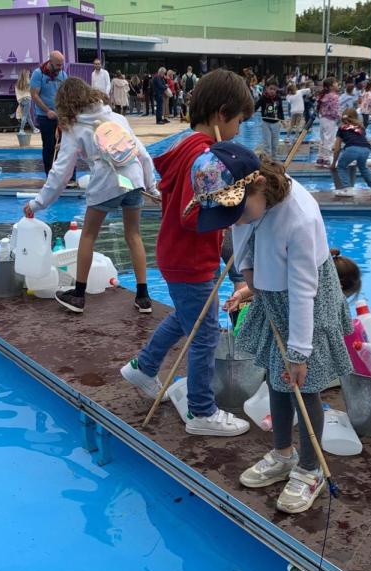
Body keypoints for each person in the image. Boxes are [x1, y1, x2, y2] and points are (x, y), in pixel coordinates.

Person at [119, 69, 255, 438]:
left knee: (187, 317)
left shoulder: (185, 147)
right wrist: (233, 208)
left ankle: (144, 366)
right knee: (206, 333)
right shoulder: (203, 156)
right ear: (221, 112)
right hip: (190, 259)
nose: (239, 131)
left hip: (177, 254)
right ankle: (201, 411)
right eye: (239, 121)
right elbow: (191, 213)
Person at [230, 154, 354, 515]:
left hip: (304, 303)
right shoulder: (247, 199)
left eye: (236, 210)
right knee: (275, 378)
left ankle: (310, 469)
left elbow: (303, 289)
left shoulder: (298, 218)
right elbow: (245, 231)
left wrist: (300, 351)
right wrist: (248, 274)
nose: (232, 219)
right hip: (272, 296)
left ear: (260, 188)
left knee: (302, 385)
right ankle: (283, 453)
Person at [22, 77, 156, 315]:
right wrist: (152, 187)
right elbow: (143, 155)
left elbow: (61, 173)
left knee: (88, 236)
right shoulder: (117, 117)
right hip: (133, 180)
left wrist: (37, 203)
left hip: (106, 183)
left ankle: (79, 295)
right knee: (133, 235)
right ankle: (143, 297)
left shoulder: (75, 128)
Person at [31, 51, 74, 176]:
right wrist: (47, 110)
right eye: (58, 65)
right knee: (49, 146)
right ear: (50, 62)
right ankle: (50, 175)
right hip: (45, 116)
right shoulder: (38, 74)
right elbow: (34, 95)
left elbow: (66, 94)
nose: (60, 68)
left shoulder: (63, 75)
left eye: (61, 64)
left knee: (66, 145)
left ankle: (67, 176)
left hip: (61, 115)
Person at [332, 108, 371, 196]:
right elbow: (363, 140)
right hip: (366, 149)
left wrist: (334, 163)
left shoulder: (341, 128)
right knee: (363, 167)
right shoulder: (361, 127)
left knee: (341, 167)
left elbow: (337, 148)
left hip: (352, 149)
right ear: (356, 117)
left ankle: (348, 189)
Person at [315, 77, 340, 168]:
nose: (337, 84)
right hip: (330, 120)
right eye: (336, 83)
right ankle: (327, 160)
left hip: (322, 119)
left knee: (323, 139)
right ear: (331, 86)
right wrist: (340, 118)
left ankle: (320, 159)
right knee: (329, 140)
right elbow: (335, 111)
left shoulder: (324, 95)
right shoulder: (334, 96)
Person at [254, 81, 284, 159]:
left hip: (276, 123)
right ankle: (267, 160)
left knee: (275, 144)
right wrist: (250, 112)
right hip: (266, 123)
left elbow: (280, 110)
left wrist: (283, 120)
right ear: (267, 88)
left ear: (276, 89)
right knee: (267, 143)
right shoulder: (263, 98)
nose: (272, 91)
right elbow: (256, 107)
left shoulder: (278, 98)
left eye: (274, 89)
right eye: (270, 89)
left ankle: (274, 159)